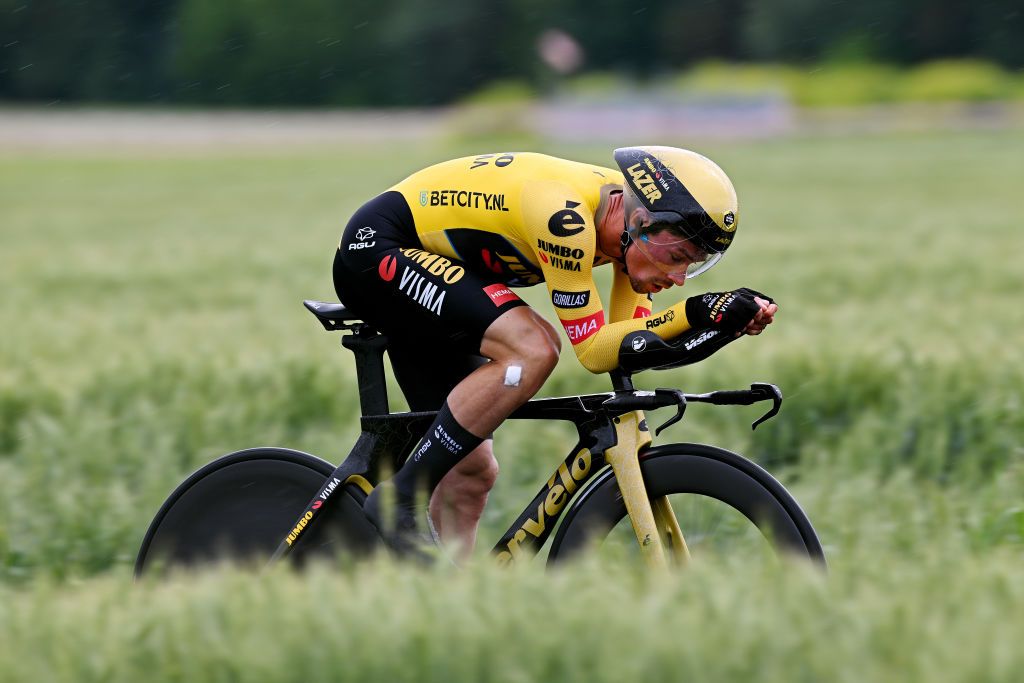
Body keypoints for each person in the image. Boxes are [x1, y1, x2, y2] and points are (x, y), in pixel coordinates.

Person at [332, 146, 777, 560]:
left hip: (442, 270)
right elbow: (594, 353)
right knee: (534, 347)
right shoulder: (565, 220)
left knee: (471, 472)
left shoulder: (628, 229)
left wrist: (721, 325)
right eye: (677, 255)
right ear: (641, 220)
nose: (679, 278)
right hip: (379, 248)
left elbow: (630, 347)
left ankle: (446, 599)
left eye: (693, 265)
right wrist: (696, 310)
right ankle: (401, 497)